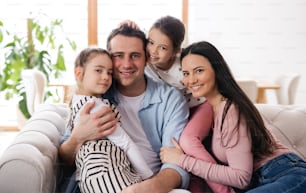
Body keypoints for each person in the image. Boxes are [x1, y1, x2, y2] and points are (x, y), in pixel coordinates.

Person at [160, 41, 306, 193]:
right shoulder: (209, 111)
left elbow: (241, 178)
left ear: (216, 71)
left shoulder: (231, 110)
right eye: (186, 73)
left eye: (199, 71)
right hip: (263, 181)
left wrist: (181, 160)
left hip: (288, 173)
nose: (191, 80)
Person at [59, 25, 191, 193]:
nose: (127, 64)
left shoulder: (170, 99)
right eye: (118, 56)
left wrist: (145, 188)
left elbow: (176, 163)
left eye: (135, 55)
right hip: (102, 182)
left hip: (151, 183)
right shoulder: (97, 93)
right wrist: (78, 137)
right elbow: (64, 158)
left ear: (147, 59)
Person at [122, 16, 233, 193]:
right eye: (151, 42)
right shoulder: (147, 60)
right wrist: (127, 29)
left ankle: (225, 190)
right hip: (179, 110)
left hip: (200, 106)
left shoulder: (182, 66)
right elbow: (124, 54)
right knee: (184, 152)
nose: (153, 51)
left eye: (163, 48)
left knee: (188, 141)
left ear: (175, 52)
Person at [68, 47, 153, 193]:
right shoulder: (95, 107)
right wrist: (150, 179)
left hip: (92, 177)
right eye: (98, 70)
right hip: (108, 174)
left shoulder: (76, 102)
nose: (106, 77)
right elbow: (126, 144)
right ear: (79, 73)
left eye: (109, 72)